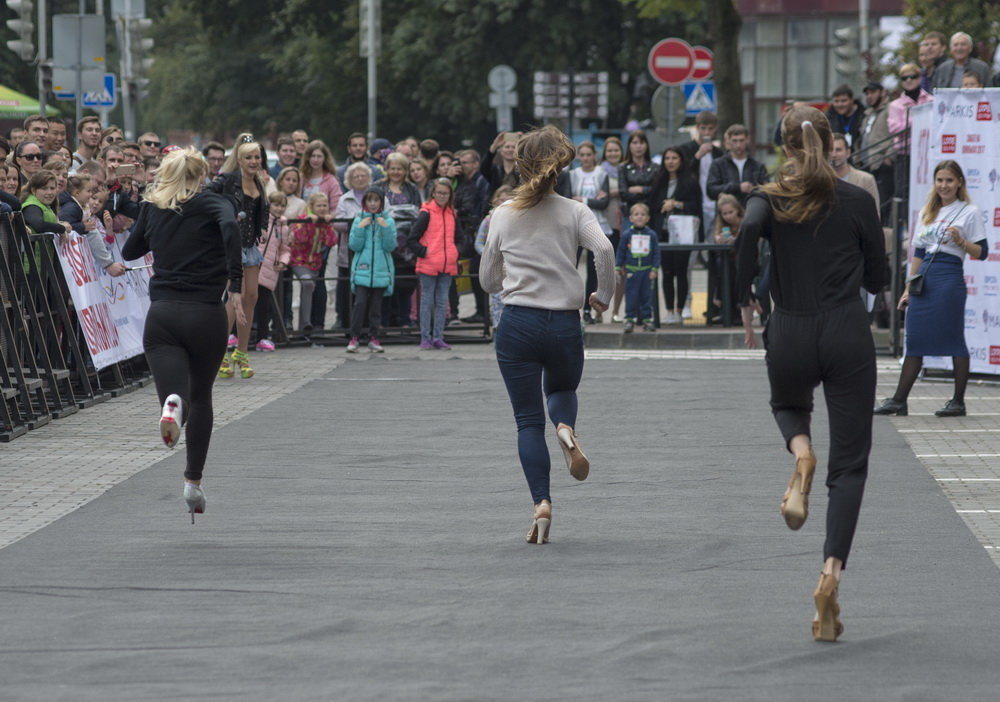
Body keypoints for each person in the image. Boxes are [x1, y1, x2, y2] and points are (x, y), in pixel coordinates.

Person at [735, 106, 886, 642]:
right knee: (850, 466)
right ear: (832, 142)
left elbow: (749, 230)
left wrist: (747, 291)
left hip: (791, 327)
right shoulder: (858, 199)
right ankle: (830, 574)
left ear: (784, 147)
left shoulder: (770, 197)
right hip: (846, 329)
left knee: (788, 407)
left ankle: (800, 455)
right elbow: (878, 274)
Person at [480, 125, 616, 545]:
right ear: (561, 167)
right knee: (561, 390)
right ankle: (566, 429)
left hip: (518, 322)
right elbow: (605, 250)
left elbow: (486, 279)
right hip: (563, 321)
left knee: (525, 421)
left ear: (519, 166)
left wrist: (505, 280)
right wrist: (603, 294)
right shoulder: (576, 211)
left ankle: (542, 503)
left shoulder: (503, 213)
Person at [121, 148, 243, 522]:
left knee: (175, 397)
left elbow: (129, 251)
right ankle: (192, 482)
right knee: (202, 397)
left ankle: (172, 404)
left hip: (163, 317)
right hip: (205, 314)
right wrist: (235, 282)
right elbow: (230, 226)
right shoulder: (213, 203)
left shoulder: (153, 207)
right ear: (202, 173)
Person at [874, 160, 987, 418]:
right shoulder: (928, 211)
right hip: (924, 279)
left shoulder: (969, 211)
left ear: (959, 182)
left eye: (949, 180)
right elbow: (919, 252)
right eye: (940, 180)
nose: (944, 185)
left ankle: (958, 401)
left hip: (948, 279)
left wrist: (961, 241)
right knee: (914, 340)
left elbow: (983, 252)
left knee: (954, 340)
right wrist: (907, 288)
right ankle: (899, 401)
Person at [208, 133, 269, 380]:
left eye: (257, 157)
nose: (254, 161)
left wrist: (262, 228)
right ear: (239, 159)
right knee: (234, 297)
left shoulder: (261, 182)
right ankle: (222, 353)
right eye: (248, 157)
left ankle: (242, 353)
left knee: (252, 296)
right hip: (230, 245)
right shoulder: (227, 180)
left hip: (251, 245)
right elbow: (207, 194)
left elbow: (260, 211)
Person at [650, 146, 701, 325]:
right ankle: (669, 310)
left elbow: (696, 206)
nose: (670, 162)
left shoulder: (690, 182)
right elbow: (652, 206)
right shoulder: (659, 182)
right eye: (667, 158)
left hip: (682, 233)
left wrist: (676, 204)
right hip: (662, 233)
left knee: (681, 272)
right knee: (667, 272)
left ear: (681, 160)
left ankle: (680, 309)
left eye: (674, 158)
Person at [407, 177, 459, 349]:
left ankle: (438, 336)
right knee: (427, 301)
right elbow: (412, 239)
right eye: (439, 193)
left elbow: (461, 238)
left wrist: (455, 252)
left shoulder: (452, 213)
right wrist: (424, 252)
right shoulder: (426, 213)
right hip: (429, 264)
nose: (442, 196)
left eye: (445, 193)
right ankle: (425, 337)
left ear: (450, 195)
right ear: (433, 194)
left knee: (442, 301)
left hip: (447, 264)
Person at [346, 189, 396, 353]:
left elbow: (390, 246)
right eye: (370, 200)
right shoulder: (359, 220)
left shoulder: (388, 221)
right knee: (359, 304)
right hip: (362, 271)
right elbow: (354, 246)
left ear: (381, 203)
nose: (373, 204)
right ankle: (354, 337)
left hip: (381, 272)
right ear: (365, 203)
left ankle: (374, 338)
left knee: (376, 308)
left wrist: (385, 228)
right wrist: (360, 227)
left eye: (376, 200)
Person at [375, 152, 422, 327]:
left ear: (405, 170)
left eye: (400, 169)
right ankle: (386, 321)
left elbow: (418, 212)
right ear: (387, 169)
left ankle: (405, 319)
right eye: (393, 168)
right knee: (386, 283)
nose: (396, 172)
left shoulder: (412, 189)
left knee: (406, 283)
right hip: (384, 241)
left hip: (406, 244)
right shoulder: (378, 187)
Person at [570, 141, 612, 324]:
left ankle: (589, 309)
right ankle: (572, 306)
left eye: (589, 154)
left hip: (598, 224)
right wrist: (592, 200)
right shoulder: (571, 175)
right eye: (583, 155)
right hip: (576, 225)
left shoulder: (602, 174)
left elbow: (604, 203)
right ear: (578, 156)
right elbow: (569, 199)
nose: (586, 158)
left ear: (594, 155)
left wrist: (582, 199)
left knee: (594, 271)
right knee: (572, 267)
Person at [288, 192, 336, 333]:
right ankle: (306, 322)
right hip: (299, 261)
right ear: (312, 206)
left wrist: (328, 225)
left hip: (315, 263)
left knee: (309, 288)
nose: (322, 208)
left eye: (324, 205)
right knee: (307, 283)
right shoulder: (303, 219)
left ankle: (305, 327)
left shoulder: (325, 223)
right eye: (319, 205)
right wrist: (308, 224)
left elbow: (331, 241)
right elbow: (299, 239)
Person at [334, 163, 374, 330]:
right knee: (348, 291)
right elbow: (339, 224)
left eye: (363, 175)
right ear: (349, 180)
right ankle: (348, 326)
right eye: (356, 176)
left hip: (372, 252)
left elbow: (386, 217)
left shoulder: (376, 196)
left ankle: (368, 327)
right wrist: (359, 221)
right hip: (349, 253)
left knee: (369, 291)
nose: (359, 178)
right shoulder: (344, 199)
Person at [253, 191, 292, 352]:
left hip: (269, 271)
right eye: (276, 204)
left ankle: (262, 337)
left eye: (282, 205)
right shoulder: (260, 220)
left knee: (264, 307)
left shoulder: (283, 227)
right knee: (245, 303)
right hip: (253, 267)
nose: (279, 208)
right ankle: (236, 334)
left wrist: (283, 261)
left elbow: (285, 249)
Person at [474, 185, 514, 328]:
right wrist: (489, 254)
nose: (503, 204)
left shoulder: (517, 220)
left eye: (507, 200)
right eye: (500, 200)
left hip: (512, 266)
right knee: (497, 298)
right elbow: (478, 243)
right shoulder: (488, 220)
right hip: (496, 266)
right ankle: (497, 326)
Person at [616, 202, 659, 333]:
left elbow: (656, 253)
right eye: (636, 214)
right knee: (631, 296)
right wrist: (618, 267)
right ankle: (629, 319)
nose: (640, 217)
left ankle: (647, 320)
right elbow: (621, 251)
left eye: (643, 214)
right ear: (631, 218)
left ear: (648, 218)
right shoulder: (627, 235)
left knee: (646, 297)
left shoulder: (651, 235)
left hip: (646, 271)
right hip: (632, 271)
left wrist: (654, 269)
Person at [600, 137, 626, 321]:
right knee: (603, 270)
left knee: (621, 271)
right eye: (609, 151)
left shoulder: (626, 170)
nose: (613, 154)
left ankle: (616, 311)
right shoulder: (599, 172)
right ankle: (598, 311)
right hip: (604, 225)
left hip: (623, 225)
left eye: (616, 150)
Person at [858, 81, 894, 212]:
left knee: (882, 205)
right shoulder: (868, 114)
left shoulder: (890, 109)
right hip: (867, 163)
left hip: (881, 164)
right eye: (867, 93)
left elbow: (897, 134)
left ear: (883, 92)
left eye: (873, 92)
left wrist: (889, 157)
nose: (869, 96)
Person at [709, 193, 743, 316]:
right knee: (721, 263)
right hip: (727, 261)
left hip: (744, 261)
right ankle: (727, 308)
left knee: (728, 267)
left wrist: (735, 239)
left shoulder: (744, 222)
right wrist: (719, 239)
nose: (728, 216)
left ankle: (720, 301)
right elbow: (715, 236)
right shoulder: (720, 223)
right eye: (725, 214)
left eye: (731, 212)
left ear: (738, 210)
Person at [888, 64, 934, 153]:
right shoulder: (895, 105)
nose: (908, 80)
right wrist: (916, 120)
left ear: (919, 78)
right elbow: (893, 129)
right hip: (905, 152)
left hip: (928, 149)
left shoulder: (931, 100)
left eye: (913, 77)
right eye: (904, 78)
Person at [830, 135, 880, 214]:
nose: (833, 154)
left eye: (838, 150)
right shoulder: (819, 180)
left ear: (848, 152)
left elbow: (874, 213)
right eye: (830, 150)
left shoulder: (866, 179)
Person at [618, 130, 655, 215]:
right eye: (635, 143)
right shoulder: (623, 168)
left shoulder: (655, 167)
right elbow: (624, 194)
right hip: (629, 213)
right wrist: (647, 191)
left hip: (651, 213)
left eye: (642, 143)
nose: (638, 146)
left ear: (647, 146)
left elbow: (656, 191)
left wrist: (641, 189)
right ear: (629, 146)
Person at [481, 131, 521, 196]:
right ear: (501, 151)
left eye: (514, 147)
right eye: (507, 147)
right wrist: (494, 146)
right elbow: (484, 168)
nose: (510, 150)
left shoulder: (521, 171)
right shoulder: (495, 170)